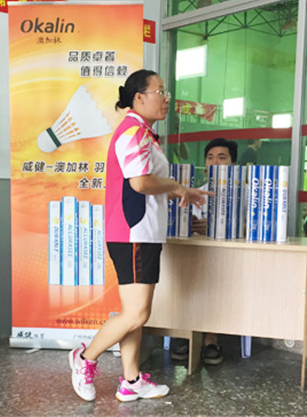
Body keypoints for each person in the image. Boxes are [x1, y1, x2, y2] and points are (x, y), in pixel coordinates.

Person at [68, 69, 209, 402]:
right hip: (132, 233)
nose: (166, 98)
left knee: (134, 313)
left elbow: (147, 181)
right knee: (137, 313)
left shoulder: (143, 133)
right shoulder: (132, 132)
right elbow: (140, 182)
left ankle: (131, 379)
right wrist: (176, 187)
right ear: (139, 97)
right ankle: (85, 358)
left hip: (143, 234)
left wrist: (182, 190)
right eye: (160, 91)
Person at [171, 137, 239, 365]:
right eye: (210, 158)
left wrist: (217, 226)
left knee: (215, 280)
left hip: (228, 258)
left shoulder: (243, 193)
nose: (215, 162)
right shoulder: (195, 192)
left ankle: (210, 339)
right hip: (196, 254)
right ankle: (186, 335)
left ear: (232, 163)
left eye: (222, 157)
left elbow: (251, 228)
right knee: (187, 279)